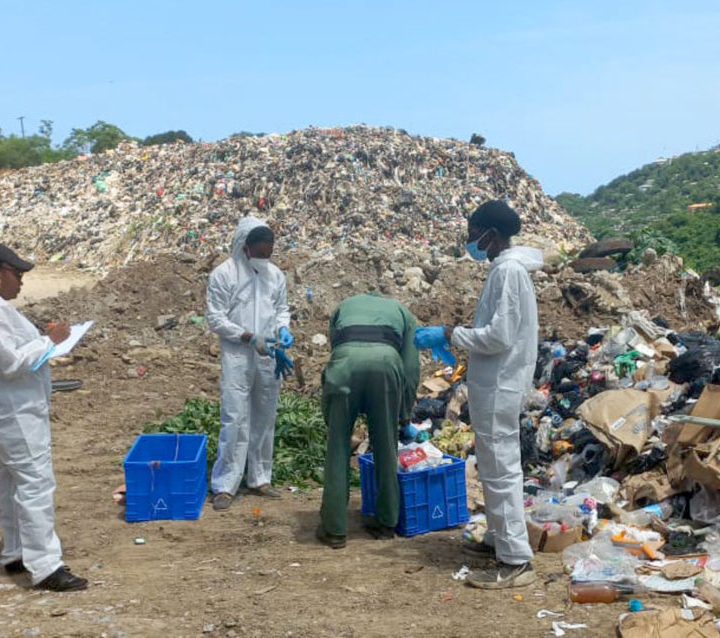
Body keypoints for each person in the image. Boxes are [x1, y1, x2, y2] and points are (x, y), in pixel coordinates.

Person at [416, 200, 543, 589]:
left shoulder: (508, 271)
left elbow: (499, 336)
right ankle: (499, 538)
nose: (469, 240)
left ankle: (516, 560)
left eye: (473, 233)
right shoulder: (505, 269)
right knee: (493, 466)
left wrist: (451, 333)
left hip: (501, 383)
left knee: (501, 469)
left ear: (491, 233)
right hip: (497, 382)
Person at [0, 240, 87, 592]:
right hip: (13, 411)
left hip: (8, 409)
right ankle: (45, 566)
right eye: (17, 273)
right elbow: (10, 362)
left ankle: (16, 552)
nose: (22, 281)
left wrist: (44, 342)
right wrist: (50, 341)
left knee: (13, 479)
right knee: (35, 482)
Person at [317, 294, 420, 548]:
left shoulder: (343, 306)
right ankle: (386, 523)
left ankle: (334, 529)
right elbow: (410, 368)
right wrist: (404, 415)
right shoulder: (404, 313)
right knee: (386, 445)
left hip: (345, 362)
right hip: (386, 363)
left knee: (338, 446)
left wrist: (332, 414)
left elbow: (336, 346)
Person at [206, 216, 292, 510]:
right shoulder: (224, 274)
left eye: (269, 253)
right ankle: (225, 483)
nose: (264, 258)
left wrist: (283, 329)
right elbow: (216, 318)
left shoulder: (274, 275)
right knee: (235, 416)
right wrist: (248, 337)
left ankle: (259, 477)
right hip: (237, 355)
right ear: (245, 247)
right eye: (260, 253)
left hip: (269, 355)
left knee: (265, 416)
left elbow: (281, 309)